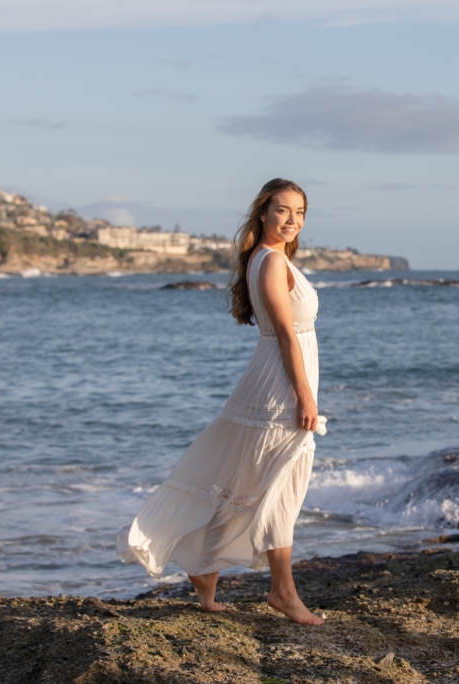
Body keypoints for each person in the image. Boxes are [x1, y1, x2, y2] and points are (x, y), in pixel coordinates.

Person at [117, 178, 325, 625]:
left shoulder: (268, 259)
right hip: (279, 387)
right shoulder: (270, 262)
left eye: (300, 212)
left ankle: (206, 570)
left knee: (247, 480)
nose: (292, 220)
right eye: (283, 210)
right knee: (279, 488)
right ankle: (282, 593)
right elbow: (288, 335)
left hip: (273, 379)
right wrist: (305, 396)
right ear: (263, 213)